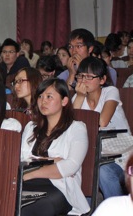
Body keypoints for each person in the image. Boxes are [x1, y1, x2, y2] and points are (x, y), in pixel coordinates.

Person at [21, 78, 90, 215]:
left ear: (64, 101)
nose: (43, 101)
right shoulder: (31, 127)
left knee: (37, 206)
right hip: (27, 184)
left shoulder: (76, 128)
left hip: (59, 187)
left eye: (49, 97)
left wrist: (32, 173)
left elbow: (70, 166)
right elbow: (23, 159)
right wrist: (53, 161)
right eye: (40, 96)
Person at [72, 56, 133, 199]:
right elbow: (70, 127)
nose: (83, 81)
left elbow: (102, 121)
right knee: (82, 170)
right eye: (80, 76)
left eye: (89, 77)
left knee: (102, 172)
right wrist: (80, 97)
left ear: (102, 80)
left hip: (123, 155)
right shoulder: (77, 98)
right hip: (95, 154)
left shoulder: (110, 91)